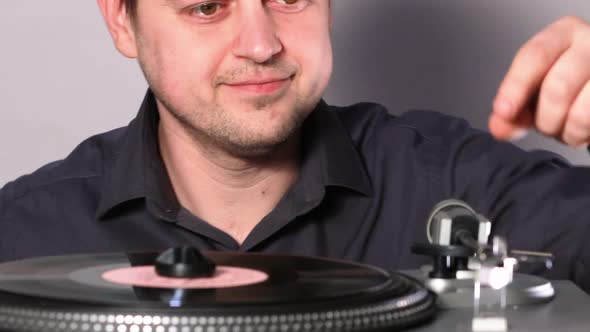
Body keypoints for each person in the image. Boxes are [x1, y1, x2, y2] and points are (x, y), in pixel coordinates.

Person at [1, 0, 590, 293]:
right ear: (122, 23)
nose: (260, 44)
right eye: (207, 6)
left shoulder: (463, 181)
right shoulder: (21, 235)